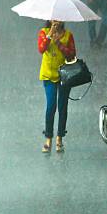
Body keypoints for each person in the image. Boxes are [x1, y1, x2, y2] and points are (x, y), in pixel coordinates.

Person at [37, 20, 76, 153]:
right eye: (53, 18)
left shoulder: (68, 35)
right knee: (51, 106)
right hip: (48, 75)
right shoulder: (44, 32)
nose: (56, 21)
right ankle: (48, 138)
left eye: (59, 19)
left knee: (62, 106)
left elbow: (72, 55)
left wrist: (59, 43)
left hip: (64, 76)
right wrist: (50, 35)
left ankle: (60, 137)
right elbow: (41, 49)